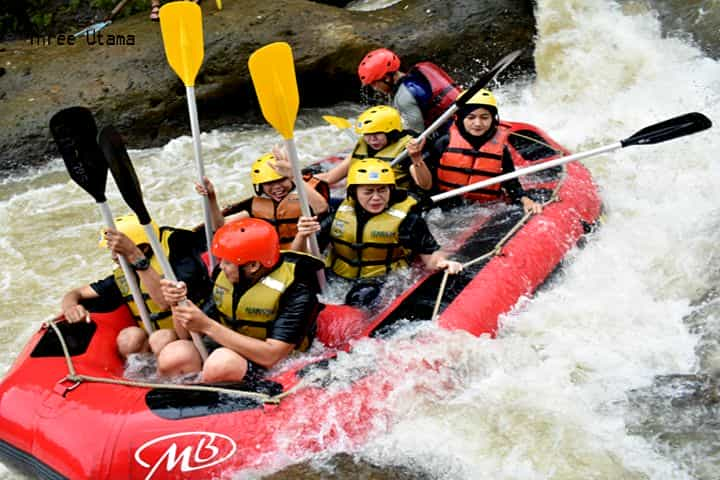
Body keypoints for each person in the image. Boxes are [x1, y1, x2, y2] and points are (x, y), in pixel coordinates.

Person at [156, 218, 325, 382]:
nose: (221, 267)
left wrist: (207, 325)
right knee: (174, 355)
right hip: (232, 347)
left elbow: (271, 356)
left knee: (221, 363)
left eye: (227, 263)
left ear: (253, 266)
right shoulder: (227, 277)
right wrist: (177, 303)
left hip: (274, 362)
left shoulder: (298, 289)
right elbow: (185, 335)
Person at [293, 158, 463, 308]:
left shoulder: (408, 220)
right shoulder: (338, 214)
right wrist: (302, 236)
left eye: (382, 190)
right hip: (336, 275)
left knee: (359, 298)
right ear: (354, 193)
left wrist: (443, 262)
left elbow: (430, 257)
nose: (376, 197)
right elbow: (302, 256)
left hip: (380, 280)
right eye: (368, 191)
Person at [60, 214, 210, 358]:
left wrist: (134, 256)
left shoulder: (178, 264)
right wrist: (70, 306)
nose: (113, 257)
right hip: (155, 337)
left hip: (193, 335)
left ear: (143, 249)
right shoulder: (125, 276)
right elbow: (76, 293)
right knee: (129, 338)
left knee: (161, 338)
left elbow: (164, 303)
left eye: (118, 251)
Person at [406, 89, 543, 215]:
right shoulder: (443, 143)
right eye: (471, 117)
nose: (477, 123)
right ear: (460, 118)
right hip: (446, 209)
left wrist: (525, 200)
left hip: (485, 210)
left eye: (484, 117)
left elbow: (512, 185)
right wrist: (416, 158)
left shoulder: (501, 149)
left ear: (493, 119)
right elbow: (426, 186)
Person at [198, 146, 329, 249]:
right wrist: (211, 197)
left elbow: (322, 208)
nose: (277, 187)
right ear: (260, 187)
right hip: (276, 257)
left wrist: (294, 175)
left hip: (306, 254)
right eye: (269, 183)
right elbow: (220, 226)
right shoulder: (257, 204)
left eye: (281, 180)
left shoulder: (306, 192)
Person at [316, 105, 433, 192]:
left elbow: (425, 185)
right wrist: (300, 180)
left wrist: (416, 158)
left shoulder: (407, 148)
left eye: (377, 134)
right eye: (367, 135)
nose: (372, 140)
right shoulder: (364, 145)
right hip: (365, 201)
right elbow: (330, 178)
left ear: (391, 132)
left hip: (396, 201)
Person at [358, 48, 461, 133]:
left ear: (386, 78)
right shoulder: (423, 68)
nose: (374, 88)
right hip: (465, 115)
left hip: (456, 131)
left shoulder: (403, 97)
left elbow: (417, 135)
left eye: (374, 83)